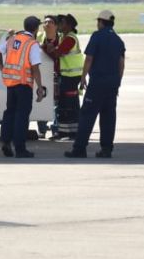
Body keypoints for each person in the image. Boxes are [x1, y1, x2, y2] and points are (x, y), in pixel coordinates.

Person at [67, 10, 126, 159]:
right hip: (112, 84)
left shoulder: (97, 36)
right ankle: (106, 149)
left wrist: (82, 78)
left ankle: (79, 149)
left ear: (101, 22)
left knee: (87, 115)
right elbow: (121, 64)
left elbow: (89, 59)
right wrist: (117, 82)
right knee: (108, 116)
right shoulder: (118, 40)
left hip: (98, 83)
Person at [0, 16, 47, 158]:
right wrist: (40, 87)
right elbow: (35, 67)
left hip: (11, 83)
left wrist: (2, 67)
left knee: (9, 112)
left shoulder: (12, 39)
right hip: (24, 84)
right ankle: (20, 149)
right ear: (36, 29)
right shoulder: (32, 44)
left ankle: (6, 142)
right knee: (22, 116)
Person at [44, 15, 83, 140]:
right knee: (63, 104)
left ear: (69, 25)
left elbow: (57, 53)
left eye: (62, 23)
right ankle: (63, 132)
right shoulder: (63, 37)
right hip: (66, 75)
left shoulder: (70, 39)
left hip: (71, 76)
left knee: (69, 105)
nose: (59, 25)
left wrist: (47, 49)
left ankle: (72, 133)